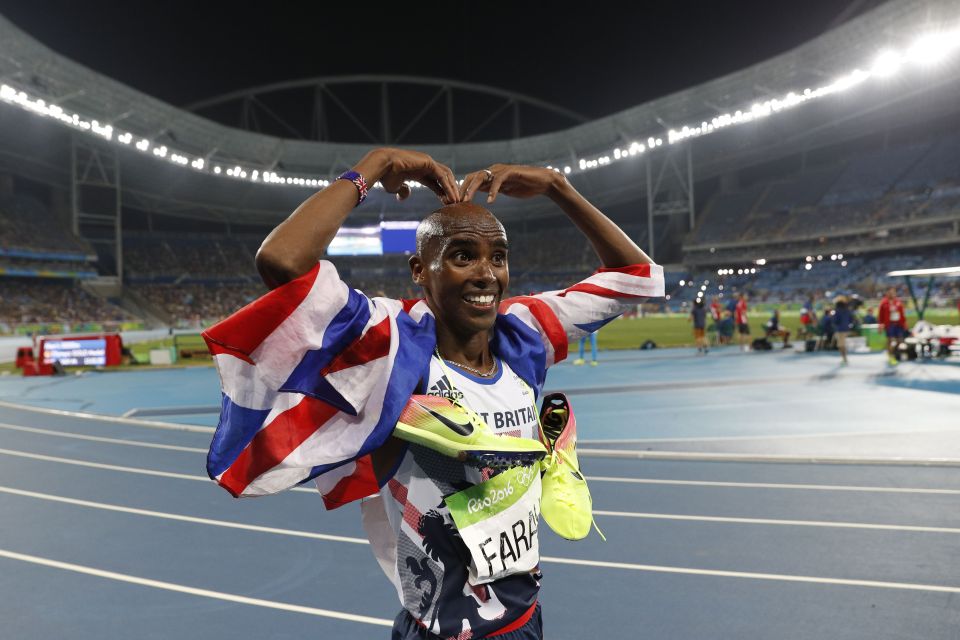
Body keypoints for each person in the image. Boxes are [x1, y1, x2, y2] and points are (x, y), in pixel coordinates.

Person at [201, 147, 664, 640]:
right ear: (419, 270)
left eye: (498, 257)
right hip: (437, 630)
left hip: (523, 622)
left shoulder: (523, 334)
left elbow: (637, 279)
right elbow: (282, 260)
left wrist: (557, 186)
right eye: (463, 255)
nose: (487, 273)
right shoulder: (395, 346)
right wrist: (374, 166)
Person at [878, 286, 908, 366]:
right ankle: (890, 357)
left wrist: (904, 323)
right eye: (890, 292)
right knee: (890, 341)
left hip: (898, 324)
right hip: (889, 324)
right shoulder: (884, 303)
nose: (892, 294)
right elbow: (880, 316)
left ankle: (893, 353)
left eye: (893, 292)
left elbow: (902, 313)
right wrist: (880, 325)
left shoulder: (898, 302)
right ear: (887, 293)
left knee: (899, 340)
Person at [832, 295, 855, 365]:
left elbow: (835, 320)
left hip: (840, 329)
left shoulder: (837, 310)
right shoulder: (847, 309)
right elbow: (851, 319)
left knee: (841, 345)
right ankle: (844, 358)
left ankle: (844, 359)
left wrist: (834, 322)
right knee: (841, 344)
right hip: (846, 328)